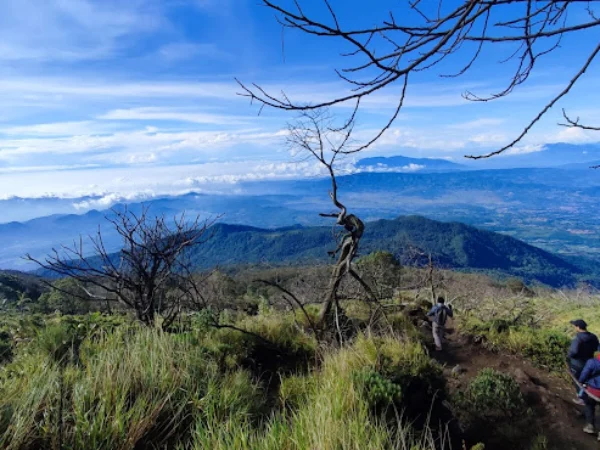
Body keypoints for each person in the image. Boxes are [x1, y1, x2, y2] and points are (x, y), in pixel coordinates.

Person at [568, 319, 599, 404]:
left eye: (575, 326)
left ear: (578, 327)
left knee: (578, 381)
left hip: (577, 363)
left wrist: (569, 356)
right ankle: (588, 396)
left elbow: (573, 351)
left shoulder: (578, 338)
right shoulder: (593, 336)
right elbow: (597, 348)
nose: (574, 327)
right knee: (587, 380)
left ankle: (581, 398)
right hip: (589, 362)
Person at [578, 354, 600, 438]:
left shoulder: (592, 362)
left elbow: (584, 373)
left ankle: (590, 425)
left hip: (593, 391)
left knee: (589, 406)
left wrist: (580, 381)